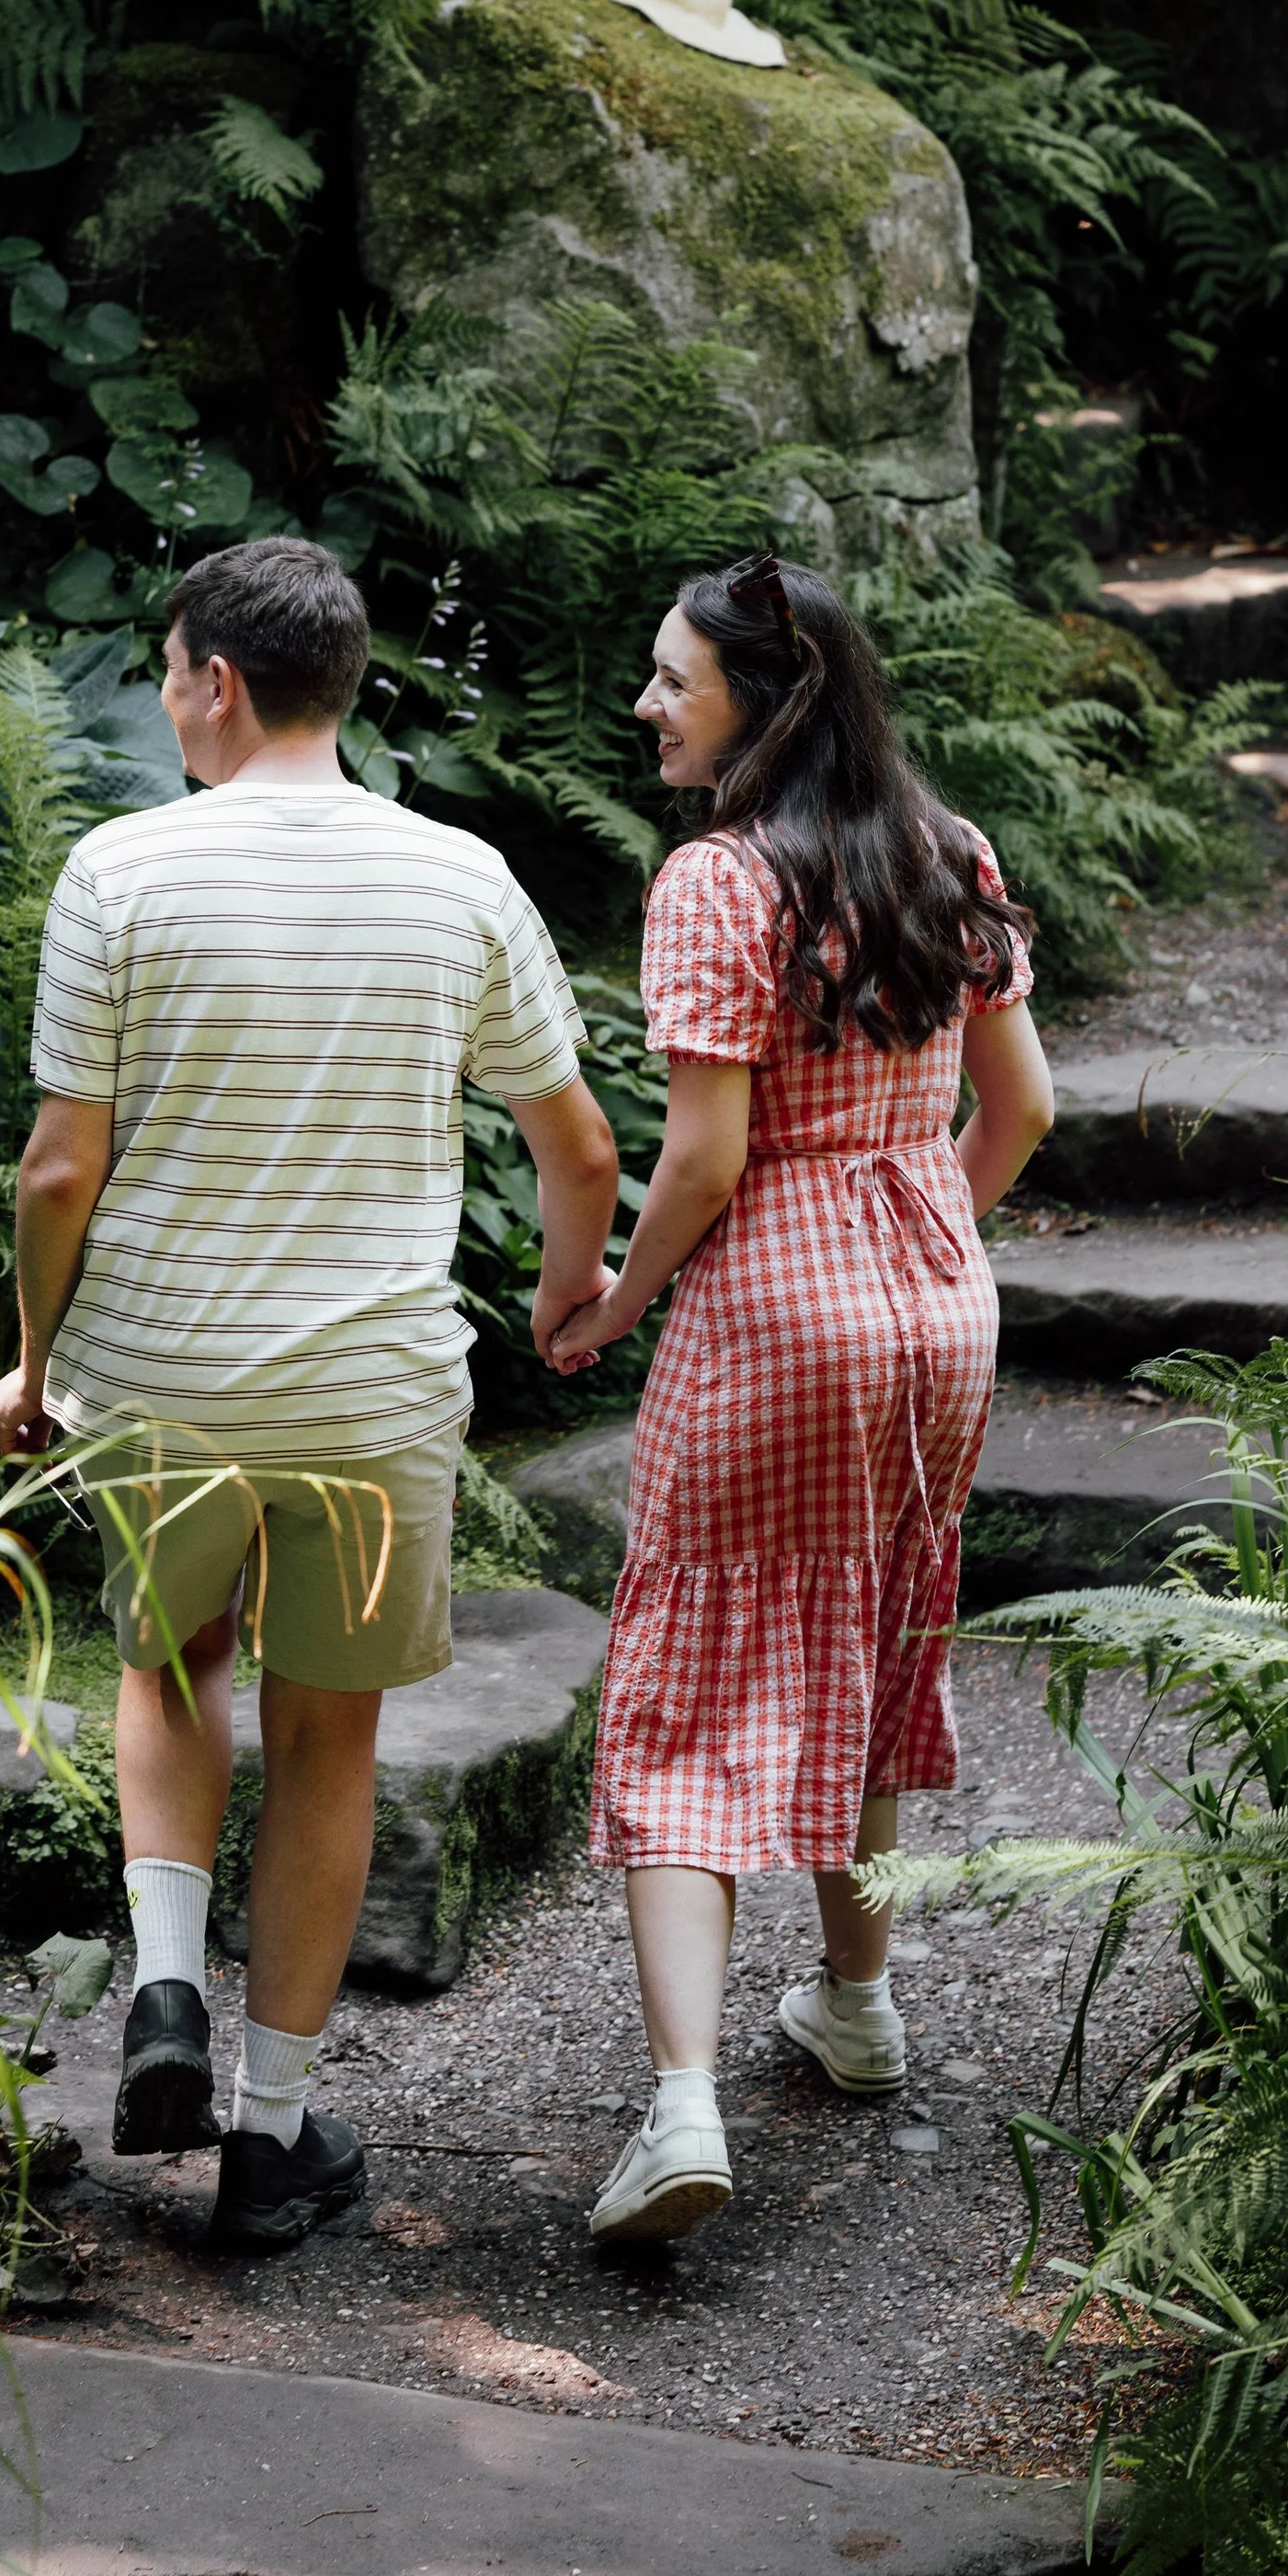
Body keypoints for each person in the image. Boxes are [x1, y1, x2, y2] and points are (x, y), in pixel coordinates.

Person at [0, 538, 620, 2251]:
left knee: (171, 1657)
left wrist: (36, 1367)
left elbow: (58, 1173)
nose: (171, 698)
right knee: (331, 1737)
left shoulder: (122, 874)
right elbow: (577, 1143)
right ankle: (270, 2134)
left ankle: (171, 1989)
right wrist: (573, 1295)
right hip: (369, 1393)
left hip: (166, 1383)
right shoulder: (461, 879)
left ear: (217, 683)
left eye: (172, 672)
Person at [548, 554, 1054, 2242]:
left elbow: (703, 1155)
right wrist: (910, 1245)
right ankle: (858, 2002)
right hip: (935, 1301)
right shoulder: (950, 851)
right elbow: (1023, 1112)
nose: (648, 703)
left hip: (772, 1305)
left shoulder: (718, 883)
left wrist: (620, 1302)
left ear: (764, 708)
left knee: (684, 1675)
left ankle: (684, 2105)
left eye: (674, 679)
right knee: (878, 1621)